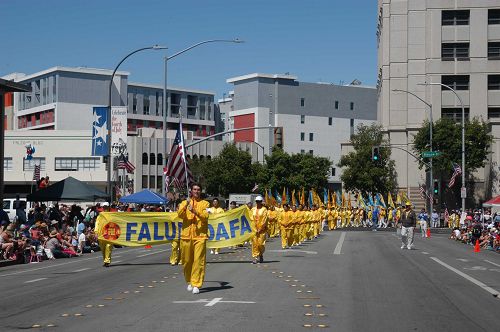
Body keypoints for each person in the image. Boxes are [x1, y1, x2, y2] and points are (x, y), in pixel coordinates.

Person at [177, 183, 210, 294]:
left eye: (198, 189)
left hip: (200, 236)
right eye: (194, 189)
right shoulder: (184, 203)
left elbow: (205, 217)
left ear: (200, 191)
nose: (196, 191)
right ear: (191, 191)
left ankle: (196, 283)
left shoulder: (205, 203)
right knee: (186, 260)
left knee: (198, 260)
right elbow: (180, 215)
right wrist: (186, 204)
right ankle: (190, 280)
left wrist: (195, 211)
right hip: (186, 236)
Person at [250, 195, 268, 264]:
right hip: (254, 230)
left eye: (259, 201)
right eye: (257, 201)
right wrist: (254, 228)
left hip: (261, 230)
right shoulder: (253, 209)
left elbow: (264, 220)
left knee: (260, 244)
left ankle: (260, 254)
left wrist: (260, 228)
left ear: (261, 202)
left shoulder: (264, 210)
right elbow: (251, 219)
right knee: (254, 244)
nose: (258, 203)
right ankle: (255, 257)